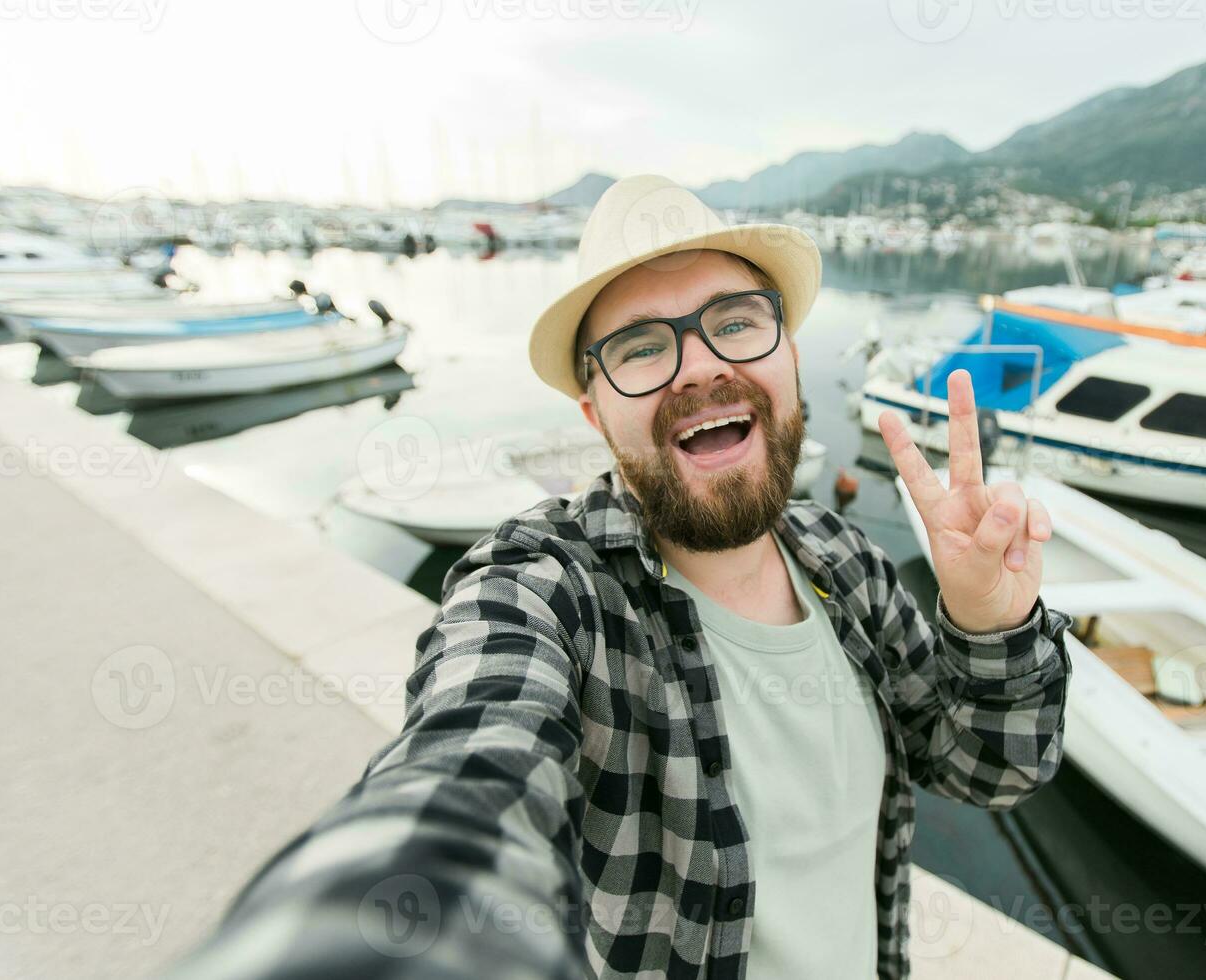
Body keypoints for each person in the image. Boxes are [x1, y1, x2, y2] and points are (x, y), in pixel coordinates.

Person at [167, 175, 1072, 980]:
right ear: (596, 409)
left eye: (737, 323)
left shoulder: (847, 563)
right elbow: (466, 771)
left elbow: (990, 768)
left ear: (789, 357)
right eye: (642, 347)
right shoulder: (546, 591)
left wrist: (990, 618)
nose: (705, 365)